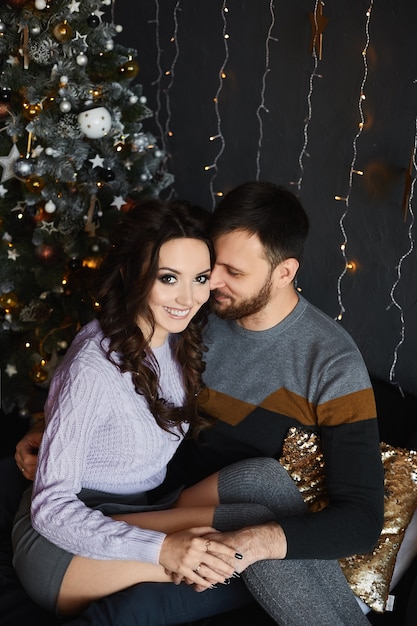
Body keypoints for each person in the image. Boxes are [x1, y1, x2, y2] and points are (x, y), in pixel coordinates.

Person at [15, 182, 384, 626]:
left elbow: (362, 519)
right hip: (88, 523)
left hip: (154, 501)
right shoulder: (182, 320)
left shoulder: (321, 359)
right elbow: (99, 386)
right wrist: (53, 426)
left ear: (285, 272)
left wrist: (263, 540)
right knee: (244, 538)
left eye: (221, 274)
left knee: (261, 497)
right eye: (209, 269)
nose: (205, 290)